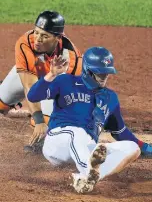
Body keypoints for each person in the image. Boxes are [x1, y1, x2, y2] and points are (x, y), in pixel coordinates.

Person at [27, 46, 141, 193]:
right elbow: (33, 96)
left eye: (106, 72)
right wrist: (51, 75)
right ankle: (88, 172)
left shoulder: (111, 98)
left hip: (84, 148)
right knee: (77, 132)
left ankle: (88, 178)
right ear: (88, 70)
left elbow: (121, 132)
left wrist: (148, 149)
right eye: (99, 73)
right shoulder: (66, 81)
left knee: (132, 148)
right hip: (58, 142)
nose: (104, 76)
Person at [0, 10, 82, 147]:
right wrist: (38, 120)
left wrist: (40, 121)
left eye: (44, 36)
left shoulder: (71, 61)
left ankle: (47, 142)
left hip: (56, 87)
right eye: (36, 32)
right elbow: (29, 86)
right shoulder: (26, 42)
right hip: (34, 77)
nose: (37, 39)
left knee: (46, 119)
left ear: (58, 37)